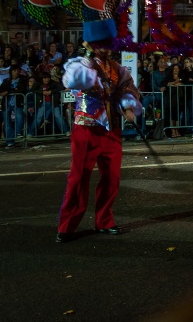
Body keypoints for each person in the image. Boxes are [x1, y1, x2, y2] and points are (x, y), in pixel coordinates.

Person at [56, 42, 142, 242]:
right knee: (78, 178)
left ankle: (104, 220)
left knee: (112, 178)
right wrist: (88, 64)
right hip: (86, 128)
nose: (107, 49)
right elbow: (71, 81)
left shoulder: (117, 69)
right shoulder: (79, 64)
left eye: (108, 44)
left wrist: (128, 105)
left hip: (111, 129)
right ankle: (67, 225)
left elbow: (126, 90)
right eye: (102, 44)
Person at [0, 65, 27, 148]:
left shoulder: (22, 80)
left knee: (20, 117)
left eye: (17, 70)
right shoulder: (6, 80)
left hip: (17, 103)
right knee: (7, 123)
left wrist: (8, 91)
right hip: (6, 103)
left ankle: (17, 133)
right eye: (14, 70)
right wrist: (10, 91)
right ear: (11, 71)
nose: (16, 72)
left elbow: (21, 90)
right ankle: (9, 141)